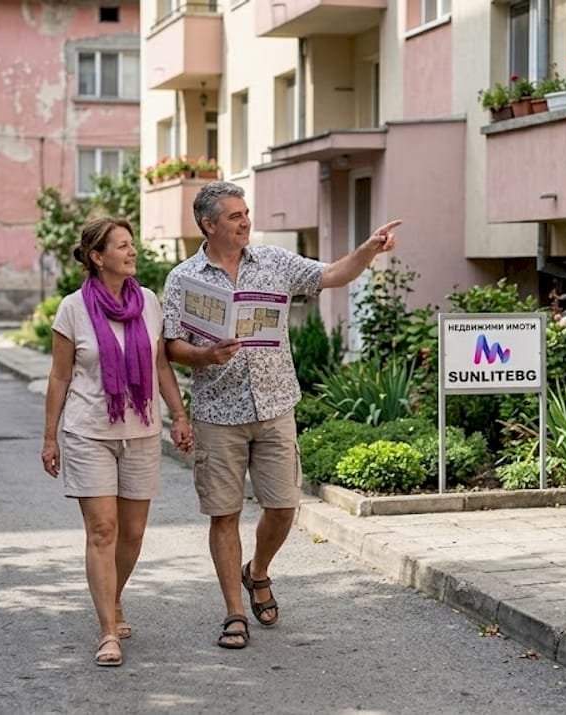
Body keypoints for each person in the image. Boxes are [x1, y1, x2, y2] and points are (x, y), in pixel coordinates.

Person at [162, 181, 400, 649]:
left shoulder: (273, 261)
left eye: (246, 212)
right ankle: (234, 612)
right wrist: (206, 355)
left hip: (275, 405)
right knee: (224, 514)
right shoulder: (183, 278)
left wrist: (369, 249)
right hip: (218, 411)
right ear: (209, 225)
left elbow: (332, 274)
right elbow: (170, 344)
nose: (245, 221)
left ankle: (259, 570)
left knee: (284, 505)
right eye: (234, 216)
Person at [41, 217, 193, 668]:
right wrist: (50, 437)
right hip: (89, 430)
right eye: (122, 246)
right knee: (103, 530)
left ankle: (114, 596)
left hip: (142, 431)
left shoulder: (148, 301)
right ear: (96, 256)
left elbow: (162, 366)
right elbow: (60, 375)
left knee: (133, 533)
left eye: (133, 244)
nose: (132, 252)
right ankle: (107, 629)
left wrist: (179, 415)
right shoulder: (72, 309)